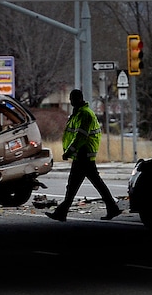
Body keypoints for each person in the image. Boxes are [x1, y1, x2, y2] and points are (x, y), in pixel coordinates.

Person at [46, 89, 121, 222]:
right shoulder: (78, 114)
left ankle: (62, 212)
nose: (71, 101)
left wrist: (69, 151)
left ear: (80, 99)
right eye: (71, 98)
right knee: (81, 184)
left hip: (83, 153)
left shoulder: (85, 114)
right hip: (82, 154)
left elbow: (81, 136)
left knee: (76, 184)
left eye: (73, 98)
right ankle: (112, 208)